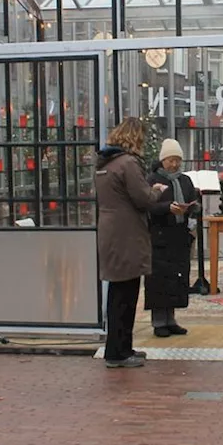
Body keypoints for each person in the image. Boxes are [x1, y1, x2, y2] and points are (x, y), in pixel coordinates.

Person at [95, 117, 167, 369]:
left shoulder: (105, 164)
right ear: (135, 138)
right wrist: (157, 189)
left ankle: (121, 347)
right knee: (126, 294)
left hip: (110, 231)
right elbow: (143, 199)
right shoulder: (128, 163)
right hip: (127, 234)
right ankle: (118, 353)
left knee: (118, 292)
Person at [145, 139, 200, 337]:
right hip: (160, 236)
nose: (174, 164)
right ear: (162, 160)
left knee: (176, 278)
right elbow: (148, 205)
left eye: (177, 160)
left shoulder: (184, 180)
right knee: (159, 279)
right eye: (170, 160)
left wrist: (191, 209)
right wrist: (167, 208)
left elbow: (194, 201)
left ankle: (171, 319)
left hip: (179, 235)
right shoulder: (153, 180)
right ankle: (159, 321)